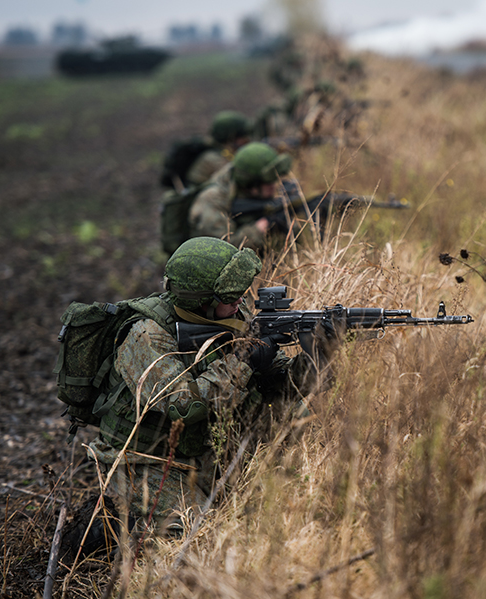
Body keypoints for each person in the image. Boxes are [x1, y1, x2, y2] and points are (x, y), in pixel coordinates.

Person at [87, 236, 322, 529]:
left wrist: (319, 352)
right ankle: (115, 530)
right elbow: (182, 405)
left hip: (203, 448)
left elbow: (288, 386)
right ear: (201, 301)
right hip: (144, 460)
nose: (239, 300)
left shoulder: (232, 316)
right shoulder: (145, 335)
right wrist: (245, 361)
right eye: (228, 296)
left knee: (265, 511)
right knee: (194, 531)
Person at [188, 141, 295, 251]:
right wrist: (259, 228)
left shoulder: (250, 191)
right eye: (267, 183)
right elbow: (220, 250)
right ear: (252, 185)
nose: (274, 186)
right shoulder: (212, 200)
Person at [160, 110, 253, 191]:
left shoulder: (222, 151)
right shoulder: (213, 158)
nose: (247, 140)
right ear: (231, 138)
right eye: (243, 136)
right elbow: (240, 180)